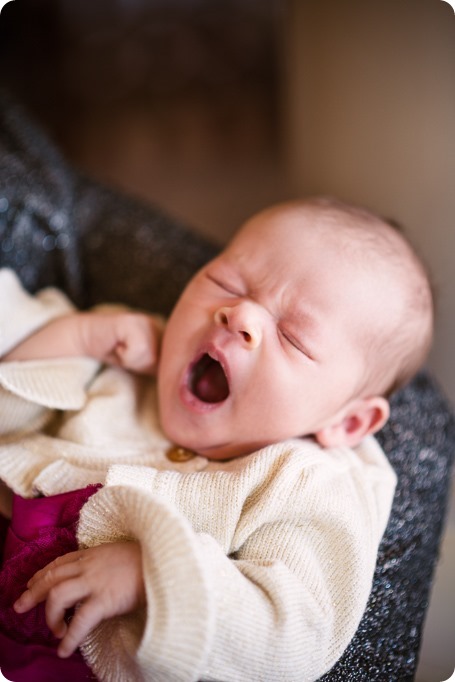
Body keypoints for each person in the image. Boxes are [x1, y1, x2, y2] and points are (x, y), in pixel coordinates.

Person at [0, 197, 433, 682]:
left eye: (292, 337)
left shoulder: (303, 483)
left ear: (348, 423)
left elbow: (293, 633)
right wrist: (80, 339)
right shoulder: (125, 351)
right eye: (226, 283)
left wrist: (155, 576)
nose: (239, 314)